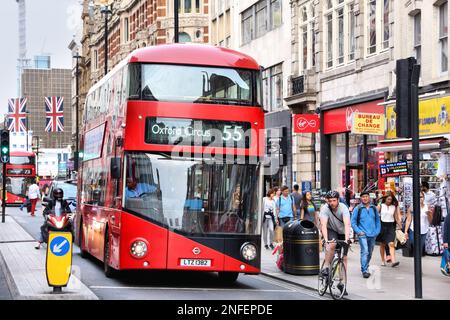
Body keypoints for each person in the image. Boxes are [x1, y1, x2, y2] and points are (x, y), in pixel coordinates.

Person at [319, 190, 352, 295]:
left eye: (334, 200)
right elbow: (323, 225)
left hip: (343, 231)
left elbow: (347, 224)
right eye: (330, 201)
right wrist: (326, 239)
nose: (332, 203)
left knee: (344, 258)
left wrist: (347, 239)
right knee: (332, 244)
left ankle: (342, 283)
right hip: (331, 229)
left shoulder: (344, 208)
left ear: (338, 200)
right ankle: (326, 267)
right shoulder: (325, 208)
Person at [351, 191, 381, 278]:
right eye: (363, 197)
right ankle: (364, 270)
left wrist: (377, 231)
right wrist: (359, 231)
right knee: (365, 251)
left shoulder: (374, 208)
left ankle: (366, 266)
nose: (365, 198)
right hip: (362, 234)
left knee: (370, 252)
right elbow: (353, 222)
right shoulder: (358, 208)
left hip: (372, 234)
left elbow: (377, 221)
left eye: (366, 196)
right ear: (361, 198)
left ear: (369, 197)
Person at [404, 191, 433, 256]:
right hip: (413, 229)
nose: (420, 198)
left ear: (424, 197)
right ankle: (415, 258)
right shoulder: (412, 207)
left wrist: (429, 214)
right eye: (418, 197)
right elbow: (408, 220)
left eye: (421, 197)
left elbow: (430, 221)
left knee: (420, 247)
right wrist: (405, 231)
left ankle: (417, 261)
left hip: (424, 230)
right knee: (413, 242)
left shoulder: (427, 206)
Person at [377, 194, 402, 267]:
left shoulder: (393, 207)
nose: (389, 201)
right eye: (388, 199)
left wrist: (400, 226)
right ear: (385, 199)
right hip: (382, 226)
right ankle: (382, 260)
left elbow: (396, 218)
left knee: (391, 244)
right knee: (382, 244)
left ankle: (393, 261)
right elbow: (375, 215)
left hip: (391, 226)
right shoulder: (381, 206)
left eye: (390, 199)